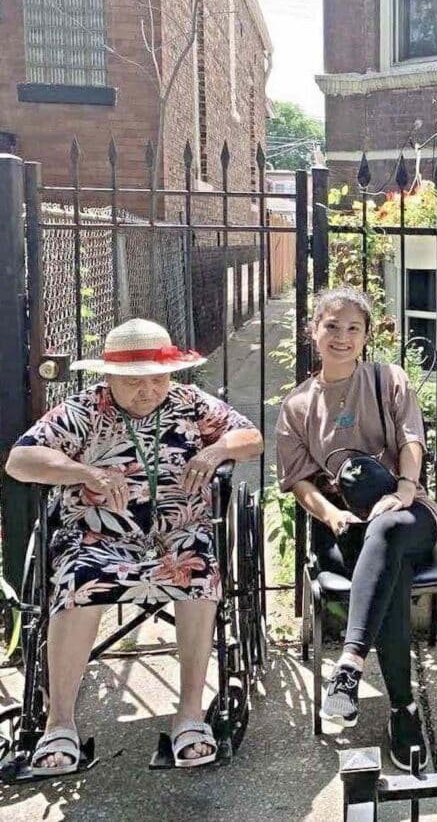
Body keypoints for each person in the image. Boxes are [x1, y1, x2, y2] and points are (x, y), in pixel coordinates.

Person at [4, 319, 263, 774]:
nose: (148, 390)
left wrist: (214, 451)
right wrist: (83, 473)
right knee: (80, 580)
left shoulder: (188, 403)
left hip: (178, 535)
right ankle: (58, 723)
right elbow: (21, 460)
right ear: (108, 378)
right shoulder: (84, 409)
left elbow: (251, 437)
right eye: (133, 381)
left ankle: (190, 715)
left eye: (157, 379)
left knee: (198, 574)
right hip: (98, 537)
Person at [276, 285, 437, 770]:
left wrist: (406, 489)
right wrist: (330, 515)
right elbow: (300, 482)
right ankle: (402, 710)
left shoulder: (388, 379)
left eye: (353, 328)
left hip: (410, 514)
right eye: (331, 326)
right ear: (313, 332)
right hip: (346, 524)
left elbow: (411, 441)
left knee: (385, 527)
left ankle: (348, 664)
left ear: (367, 336)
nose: (341, 337)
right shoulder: (298, 406)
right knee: (389, 570)